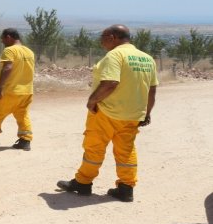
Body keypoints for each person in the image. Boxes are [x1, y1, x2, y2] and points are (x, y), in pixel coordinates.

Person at [57, 24, 158, 202]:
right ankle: (126, 188)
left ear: (112, 37)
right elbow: (152, 90)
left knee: (94, 147)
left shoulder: (115, 55)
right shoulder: (147, 59)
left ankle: (83, 182)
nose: (101, 41)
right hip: (133, 115)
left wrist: (92, 100)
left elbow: (111, 82)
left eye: (103, 37)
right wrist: (147, 113)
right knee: (126, 151)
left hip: (107, 112)